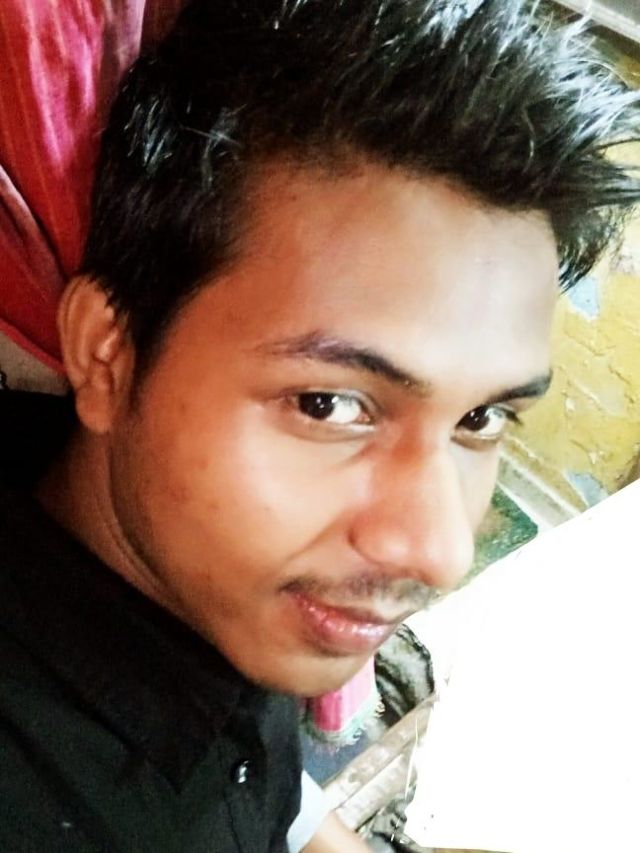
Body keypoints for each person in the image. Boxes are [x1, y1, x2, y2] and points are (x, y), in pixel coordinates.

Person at [0, 0, 638, 850]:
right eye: (327, 404)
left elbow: (271, 784)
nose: (440, 550)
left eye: (480, 418)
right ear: (107, 354)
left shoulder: (218, 586)